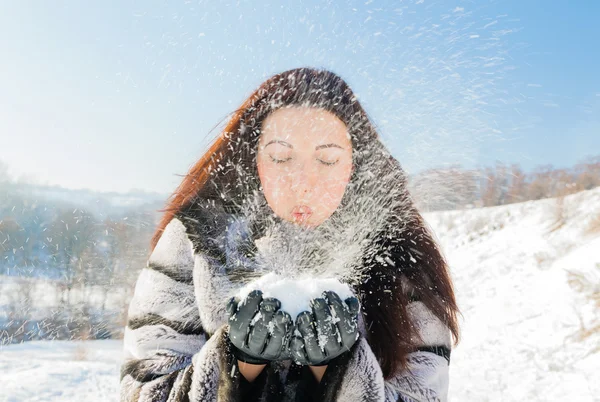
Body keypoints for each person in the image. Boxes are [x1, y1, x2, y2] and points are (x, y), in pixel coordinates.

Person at [120, 67, 461, 401]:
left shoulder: (399, 253)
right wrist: (235, 368)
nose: (303, 182)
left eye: (327, 160)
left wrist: (338, 372)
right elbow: (143, 390)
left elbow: (424, 394)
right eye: (281, 158)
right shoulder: (199, 238)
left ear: (354, 166)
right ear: (255, 160)